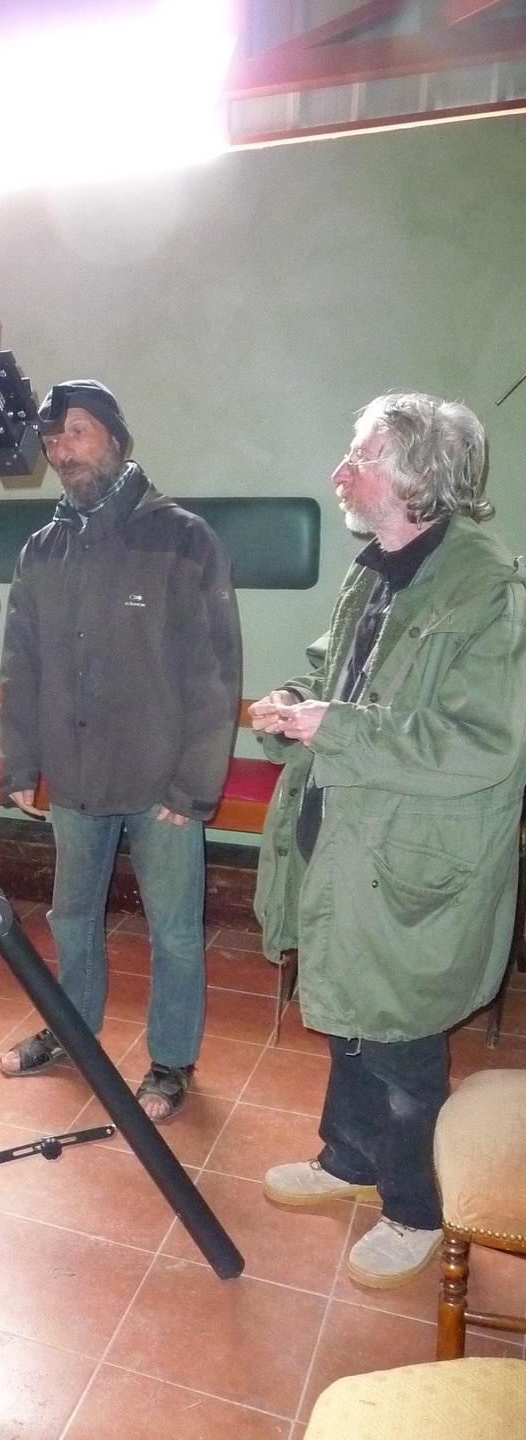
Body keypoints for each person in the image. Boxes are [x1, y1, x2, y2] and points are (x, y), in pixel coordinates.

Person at [253, 392, 526, 1287]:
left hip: (414, 860)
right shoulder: (372, 571)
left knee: (401, 1039)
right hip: (347, 839)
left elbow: (485, 746)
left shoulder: (490, 590)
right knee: (349, 1014)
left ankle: (415, 1208)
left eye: (359, 457)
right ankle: (350, 1159)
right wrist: (294, 703)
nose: (340, 472)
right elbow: (335, 674)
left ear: (417, 478)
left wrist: (337, 727)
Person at [0, 380, 242, 1120]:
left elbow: (216, 673)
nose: (62, 450)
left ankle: (171, 1060)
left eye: (77, 431)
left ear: (115, 437)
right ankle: (72, 1031)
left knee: (174, 932)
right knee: (71, 919)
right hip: (74, 778)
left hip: (162, 785)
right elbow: (20, 663)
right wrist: (19, 762)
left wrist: (194, 785)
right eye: (52, 439)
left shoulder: (183, 539)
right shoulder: (43, 549)